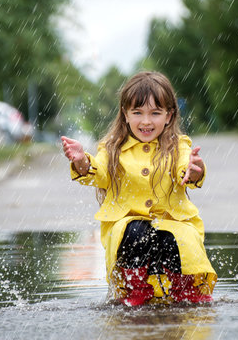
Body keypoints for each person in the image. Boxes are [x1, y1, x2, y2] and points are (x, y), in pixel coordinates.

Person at [61, 71, 217, 306]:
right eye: (138, 113)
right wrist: (82, 161)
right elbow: (100, 172)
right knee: (135, 231)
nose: (146, 121)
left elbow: (184, 166)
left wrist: (193, 171)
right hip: (129, 230)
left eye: (155, 113)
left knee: (174, 239)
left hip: (173, 223)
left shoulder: (178, 146)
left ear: (169, 116)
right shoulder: (113, 148)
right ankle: (136, 290)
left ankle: (185, 290)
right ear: (125, 114)